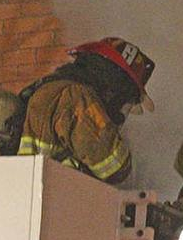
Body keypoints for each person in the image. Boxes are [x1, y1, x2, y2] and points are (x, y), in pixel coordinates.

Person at [17, 37, 155, 184]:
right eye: (123, 99)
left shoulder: (56, 87)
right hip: (46, 194)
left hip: (31, 191)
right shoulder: (76, 96)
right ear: (115, 86)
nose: (120, 113)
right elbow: (115, 166)